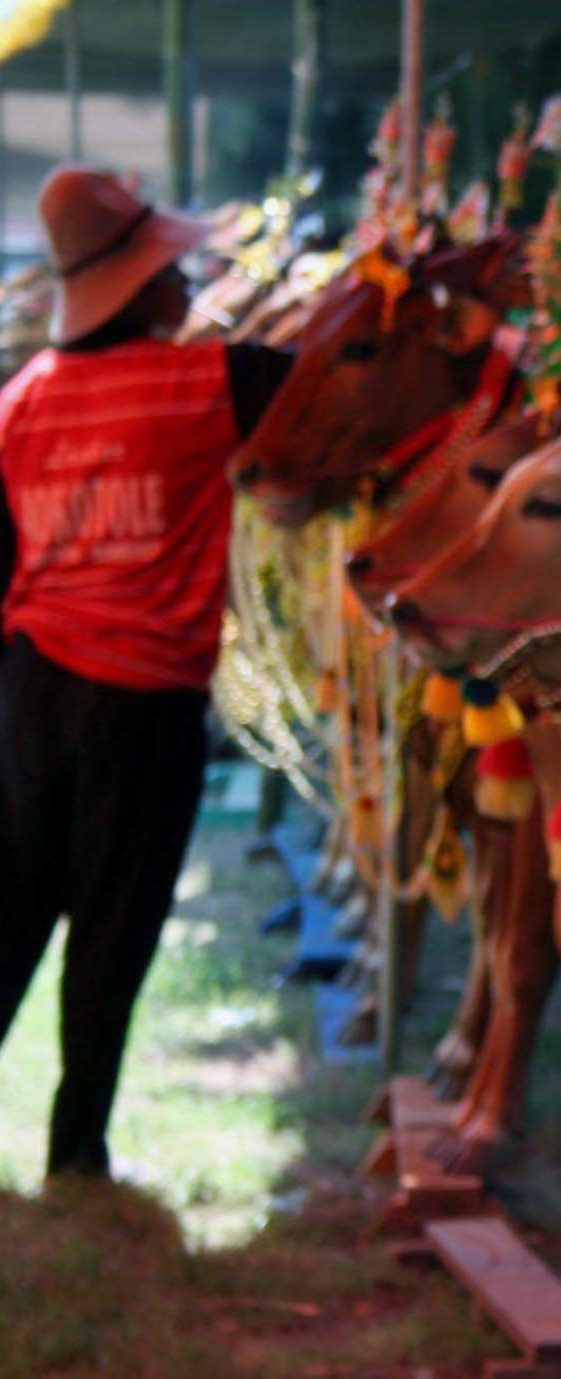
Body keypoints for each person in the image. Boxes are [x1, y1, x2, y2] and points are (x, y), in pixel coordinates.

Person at [0, 166, 292, 1178]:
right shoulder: (209, 383)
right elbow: (333, 379)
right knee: (113, 930)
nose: (186, 284)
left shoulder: (20, 403)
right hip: (143, 707)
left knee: (11, 912)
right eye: (172, 270)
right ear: (140, 287)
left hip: (29, 691)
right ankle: (75, 1151)